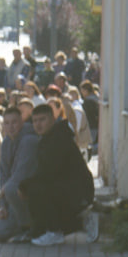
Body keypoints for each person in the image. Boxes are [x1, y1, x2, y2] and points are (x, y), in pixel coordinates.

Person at [19, 104, 97, 247]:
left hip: (80, 193)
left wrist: (25, 186)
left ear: (53, 119)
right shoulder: (49, 138)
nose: (38, 124)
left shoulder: (59, 139)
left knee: (36, 190)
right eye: (35, 121)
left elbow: (48, 172)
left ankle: (55, 232)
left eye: (42, 119)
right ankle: (67, 226)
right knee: (36, 188)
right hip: (68, 188)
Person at [0, 106, 39, 244]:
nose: (10, 126)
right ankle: (20, 225)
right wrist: (3, 206)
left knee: (10, 188)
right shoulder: (6, 143)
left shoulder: (29, 140)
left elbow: (22, 174)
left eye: (14, 122)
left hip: (30, 194)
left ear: (22, 122)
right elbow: (3, 174)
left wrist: (5, 189)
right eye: (6, 123)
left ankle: (29, 227)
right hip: (13, 197)